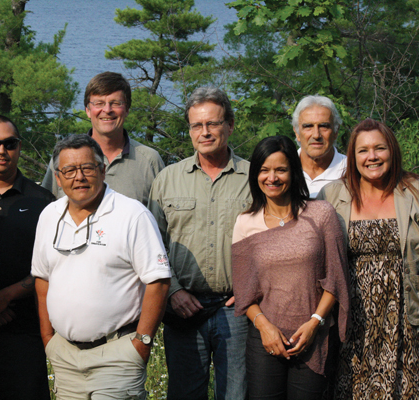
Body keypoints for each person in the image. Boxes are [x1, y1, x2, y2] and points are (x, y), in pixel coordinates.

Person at [32, 134, 170, 399]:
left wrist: (142, 343)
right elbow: (42, 278)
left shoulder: (132, 215)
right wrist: (48, 339)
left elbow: (158, 281)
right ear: (58, 178)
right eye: (69, 170)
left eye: (87, 168)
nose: (79, 177)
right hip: (64, 356)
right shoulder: (49, 215)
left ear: (103, 170)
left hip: (117, 355)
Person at [148, 87, 250, 400]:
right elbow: (152, 245)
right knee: (184, 394)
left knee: (235, 394)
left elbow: (271, 240)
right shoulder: (167, 179)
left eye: (213, 123)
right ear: (190, 129)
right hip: (183, 309)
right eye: (196, 125)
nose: (205, 132)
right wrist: (174, 291)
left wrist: (251, 289)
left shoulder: (255, 176)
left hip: (237, 310)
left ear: (230, 125)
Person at [231, 135, 349, 400]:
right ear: (255, 175)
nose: (272, 177)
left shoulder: (321, 214)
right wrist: (265, 328)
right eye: (264, 170)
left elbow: (337, 277)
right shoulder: (245, 222)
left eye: (280, 169)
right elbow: (244, 290)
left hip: (313, 337)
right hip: (265, 338)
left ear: (293, 172)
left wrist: (314, 323)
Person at [317, 118, 419, 399]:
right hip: (353, 316)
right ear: (352, 156)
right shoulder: (332, 195)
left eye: (379, 148)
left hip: (407, 313)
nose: (371, 156)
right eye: (363, 150)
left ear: (392, 151)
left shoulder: (414, 191)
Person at [0, 115, 54, 400]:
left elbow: (54, 265)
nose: (1, 150)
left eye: (9, 143)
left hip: (24, 330)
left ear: (19, 147)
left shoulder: (43, 201)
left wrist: (7, 296)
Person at [41, 71, 164, 206]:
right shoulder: (64, 158)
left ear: (127, 109)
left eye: (116, 103)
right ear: (87, 110)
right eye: (99, 103)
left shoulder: (149, 161)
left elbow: (160, 219)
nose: (107, 110)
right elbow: (46, 207)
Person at [293, 95, 347, 198]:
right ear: (297, 132)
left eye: (323, 126)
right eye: (308, 126)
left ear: (336, 132)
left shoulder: (352, 171)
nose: (316, 135)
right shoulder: (281, 170)